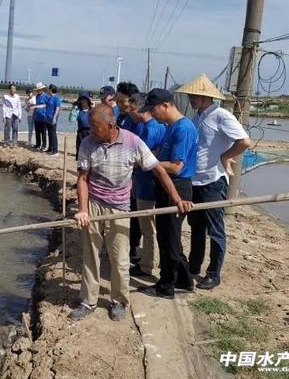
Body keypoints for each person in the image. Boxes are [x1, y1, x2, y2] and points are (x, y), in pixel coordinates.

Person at [68, 105, 192, 322]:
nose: (91, 133)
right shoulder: (88, 143)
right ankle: (88, 301)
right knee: (91, 257)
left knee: (120, 258)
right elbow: (82, 179)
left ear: (111, 126)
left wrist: (177, 199)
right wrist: (83, 210)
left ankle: (119, 301)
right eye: (90, 128)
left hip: (120, 208)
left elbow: (159, 170)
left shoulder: (132, 142)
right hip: (95, 205)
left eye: (96, 129)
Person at [176, 74, 251, 290]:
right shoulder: (197, 118)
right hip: (195, 181)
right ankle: (194, 265)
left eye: (195, 95)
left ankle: (213, 273)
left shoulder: (222, 116)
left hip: (213, 181)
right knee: (196, 226)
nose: (191, 98)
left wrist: (226, 156)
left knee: (215, 229)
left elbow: (244, 141)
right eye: (190, 95)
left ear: (206, 96)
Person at [141, 88, 198, 299]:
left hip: (178, 187)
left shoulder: (184, 129)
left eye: (153, 110)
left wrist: (149, 165)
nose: (152, 114)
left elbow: (176, 167)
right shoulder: (170, 127)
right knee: (168, 237)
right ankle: (184, 280)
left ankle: (166, 287)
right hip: (166, 186)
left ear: (166, 105)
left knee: (169, 240)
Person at [127, 93, 167, 278]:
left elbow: (141, 158)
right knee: (148, 226)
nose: (131, 113)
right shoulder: (151, 126)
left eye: (133, 109)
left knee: (148, 226)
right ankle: (148, 259)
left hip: (148, 182)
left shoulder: (151, 129)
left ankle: (147, 264)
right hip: (143, 180)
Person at [114, 82, 143, 262]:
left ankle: (131, 246)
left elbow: (138, 147)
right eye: (116, 100)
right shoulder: (120, 117)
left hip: (132, 170)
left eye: (121, 99)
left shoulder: (135, 120)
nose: (117, 103)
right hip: (120, 168)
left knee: (132, 209)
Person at [74, 92, 92, 158]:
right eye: (81, 100)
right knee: (80, 152)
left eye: (84, 99)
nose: (82, 102)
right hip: (81, 134)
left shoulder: (92, 111)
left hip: (90, 134)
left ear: (88, 101)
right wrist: (74, 108)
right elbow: (71, 119)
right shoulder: (78, 111)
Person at [44, 84, 61, 156]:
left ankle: (55, 150)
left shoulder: (56, 98)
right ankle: (50, 148)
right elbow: (46, 105)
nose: (48, 90)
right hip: (47, 118)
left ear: (51, 90)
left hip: (52, 119)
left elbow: (57, 108)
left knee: (53, 134)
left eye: (48, 89)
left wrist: (54, 118)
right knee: (49, 134)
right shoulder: (49, 97)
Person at [31, 83, 48, 150]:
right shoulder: (37, 96)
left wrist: (36, 106)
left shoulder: (45, 96)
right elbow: (36, 104)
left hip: (43, 117)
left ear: (42, 89)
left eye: (39, 90)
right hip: (36, 116)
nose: (38, 91)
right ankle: (38, 144)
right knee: (37, 132)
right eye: (37, 90)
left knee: (43, 132)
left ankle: (44, 145)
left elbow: (45, 105)